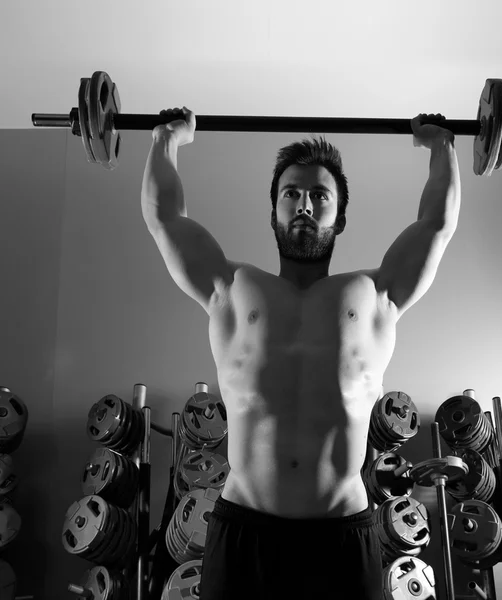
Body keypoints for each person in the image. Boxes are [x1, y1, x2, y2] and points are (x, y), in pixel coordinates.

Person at [141, 107, 461, 600]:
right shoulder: (234, 290)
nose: (304, 205)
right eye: (291, 194)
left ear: (340, 214)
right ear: (274, 211)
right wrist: (166, 139)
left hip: (341, 536)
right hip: (244, 534)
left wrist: (442, 147)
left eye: (319, 195)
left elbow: (435, 225)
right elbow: (165, 219)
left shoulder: (376, 297)